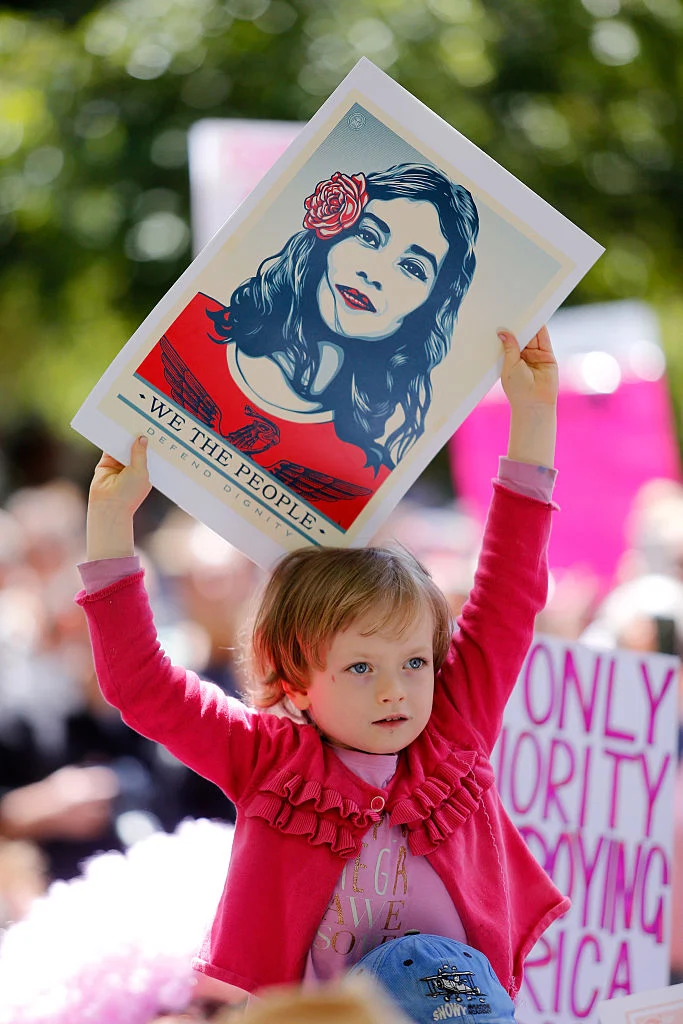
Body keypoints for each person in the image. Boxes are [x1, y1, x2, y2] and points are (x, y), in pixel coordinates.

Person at [77, 327, 566, 1008]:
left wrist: (533, 416)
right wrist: (109, 524)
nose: (396, 687)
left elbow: (510, 591)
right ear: (296, 677)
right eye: (360, 667)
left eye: (415, 660)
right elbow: (141, 686)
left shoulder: (455, 728)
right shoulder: (264, 758)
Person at [135, 163, 479, 531]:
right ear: (330, 233)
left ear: (429, 306)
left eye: (412, 267)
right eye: (368, 236)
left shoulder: (361, 471)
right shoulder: (190, 334)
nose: (373, 273)